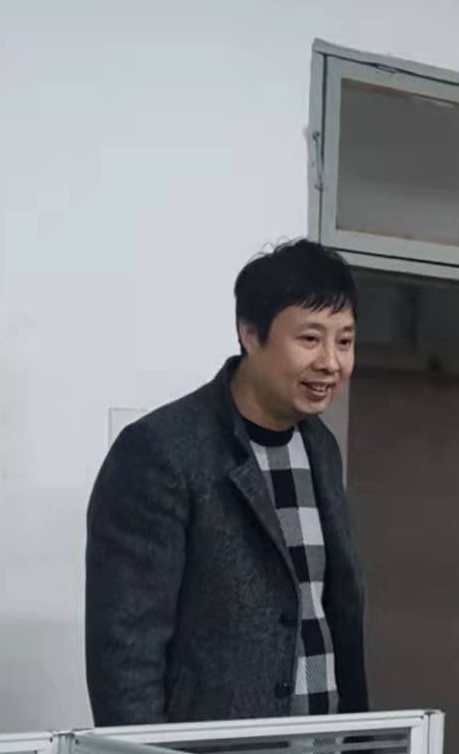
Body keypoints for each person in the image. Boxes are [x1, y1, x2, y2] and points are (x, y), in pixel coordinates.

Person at [85, 239, 368, 727]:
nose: (331, 362)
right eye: (309, 339)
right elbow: (125, 654)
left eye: (344, 342)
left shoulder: (321, 447)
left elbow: (333, 611)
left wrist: (361, 750)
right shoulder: (162, 451)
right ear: (250, 334)